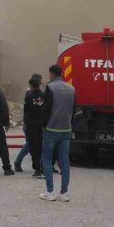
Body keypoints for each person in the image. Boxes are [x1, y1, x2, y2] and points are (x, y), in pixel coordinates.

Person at [40, 64, 76, 202]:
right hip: (66, 129)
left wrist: (44, 125)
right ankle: (64, 193)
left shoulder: (50, 88)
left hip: (51, 129)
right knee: (64, 161)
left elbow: (46, 109)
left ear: (51, 74)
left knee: (47, 159)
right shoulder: (71, 89)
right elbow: (73, 109)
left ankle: (50, 192)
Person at [14, 73, 43, 171]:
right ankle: (18, 162)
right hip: (32, 123)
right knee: (30, 145)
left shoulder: (29, 94)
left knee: (32, 145)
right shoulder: (35, 94)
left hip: (29, 123)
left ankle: (38, 164)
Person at [22, 76, 46, 178]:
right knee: (43, 147)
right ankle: (45, 168)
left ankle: (37, 169)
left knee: (33, 148)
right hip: (42, 124)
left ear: (31, 85)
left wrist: (26, 123)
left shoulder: (28, 96)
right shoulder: (44, 95)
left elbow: (26, 111)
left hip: (31, 125)